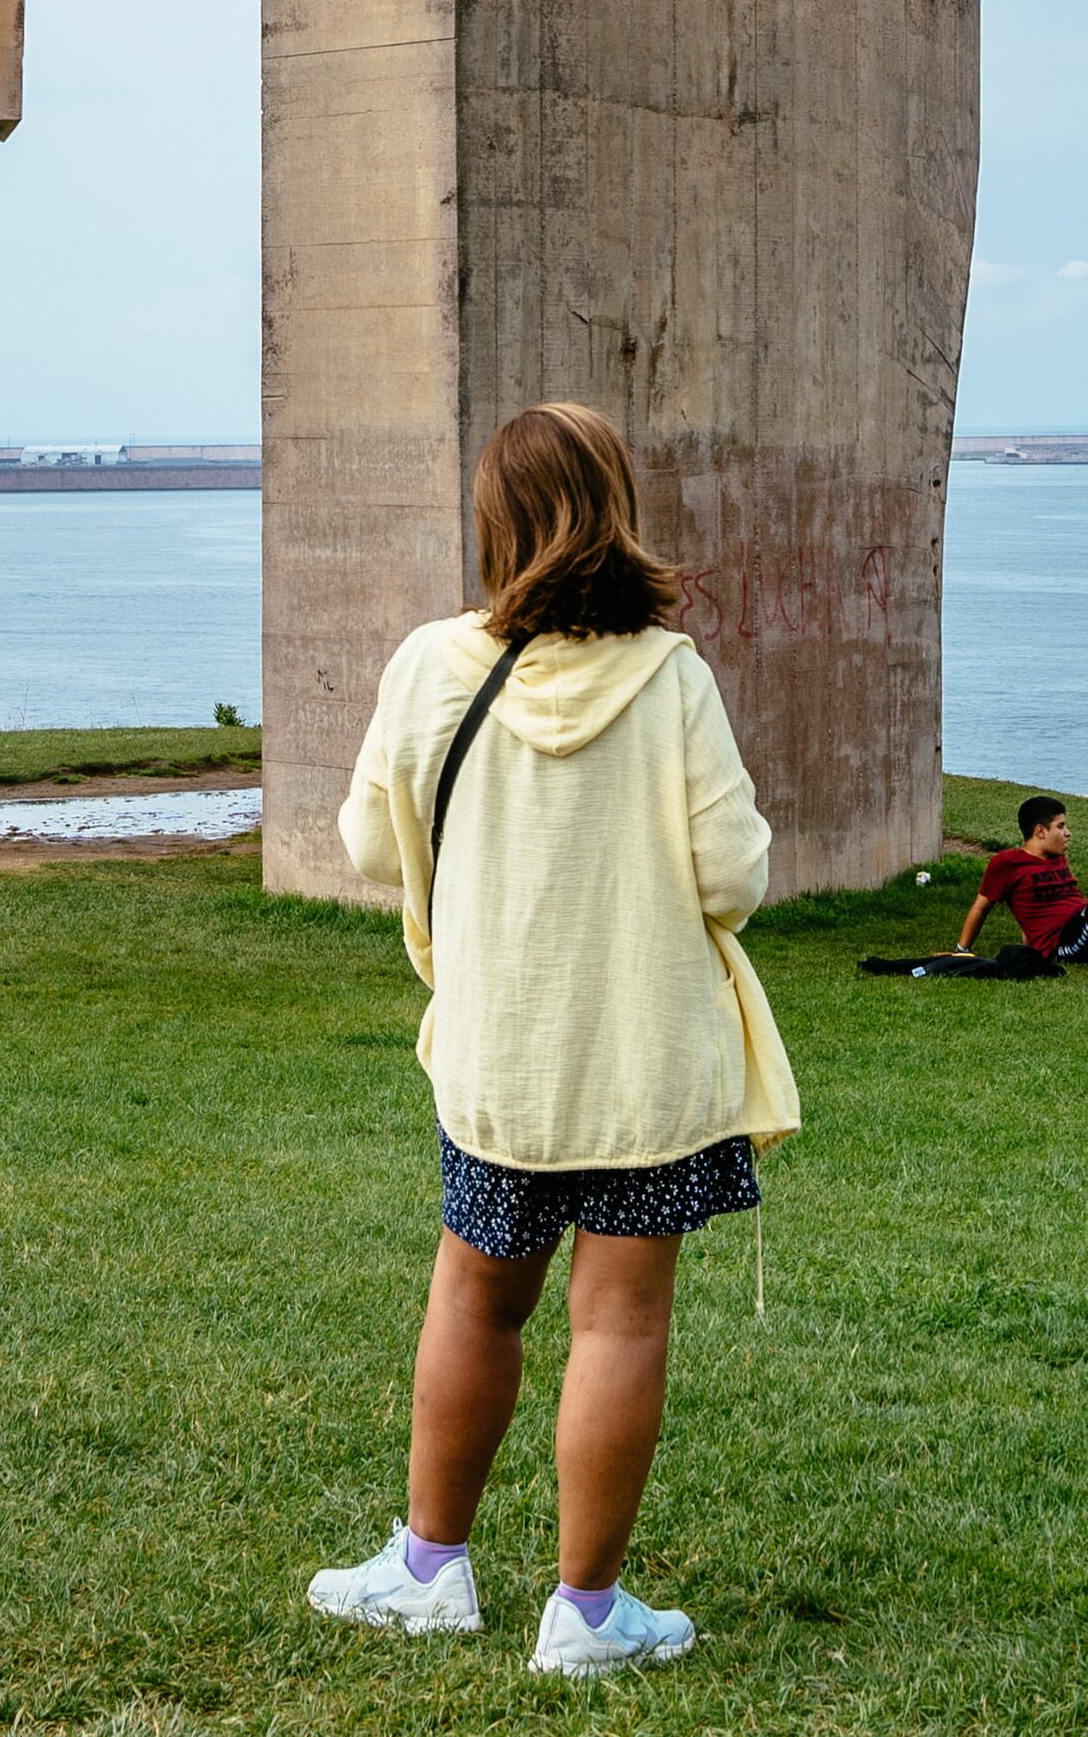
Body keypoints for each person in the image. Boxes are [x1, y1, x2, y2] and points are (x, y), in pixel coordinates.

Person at [310, 402, 793, 1679]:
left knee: (476, 1294)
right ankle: (584, 1614)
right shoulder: (672, 677)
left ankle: (429, 1570)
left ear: (493, 518)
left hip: (501, 1059)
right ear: (613, 506)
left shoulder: (427, 665)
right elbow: (734, 876)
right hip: (649, 1064)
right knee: (618, 1321)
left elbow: (365, 844)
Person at [861, 797, 1088, 978]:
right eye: (1061, 826)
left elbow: (1038, 907)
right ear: (1039, 831)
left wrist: (1028, 937)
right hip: (1068, 944)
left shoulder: (1056, 857)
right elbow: (981, 906)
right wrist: (959, 951)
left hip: (1086, 927)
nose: (1068, 833)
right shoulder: (1006, 864)